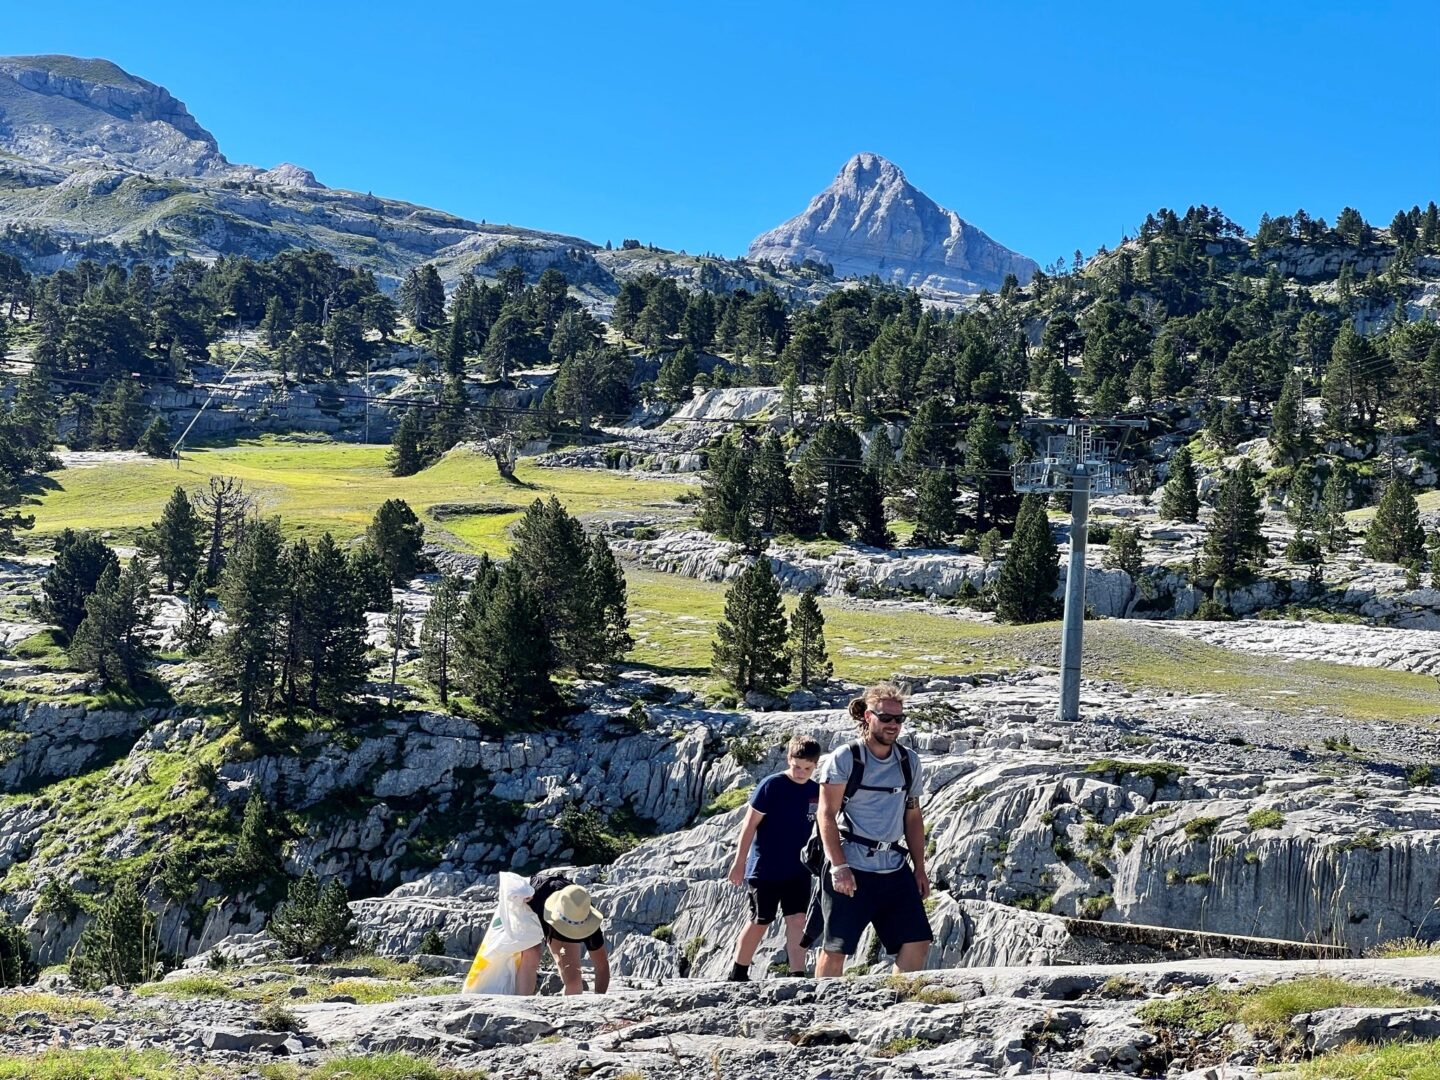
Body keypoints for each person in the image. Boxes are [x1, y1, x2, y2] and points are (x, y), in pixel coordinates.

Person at [810, 682, 931, 977]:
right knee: (837, 947)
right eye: (886, 718)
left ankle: (897, 1003)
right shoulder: (845, 758)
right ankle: (823, 1011)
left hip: (893, 867)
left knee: (917, 940)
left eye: (899, 719)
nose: (893, 725)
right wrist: (838, 866)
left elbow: (913, 816)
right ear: (868, 717)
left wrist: (919, 867)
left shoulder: (908, 761)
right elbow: (826, 815)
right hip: (851, 867)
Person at [725, 734, 822, 981]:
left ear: (815, 766)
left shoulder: (816, 791)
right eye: (796, 766)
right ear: (789, 759)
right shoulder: (771, 785)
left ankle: (797, 975)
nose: (801, 772)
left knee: (798, 920)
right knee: (761, 920)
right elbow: (749, 825)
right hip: (765, 869)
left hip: (798, 871)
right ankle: (738, 972)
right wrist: (739, 864)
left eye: (807, 768)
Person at [516, 872, 610, 995]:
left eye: (574, 931)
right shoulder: (534, 896)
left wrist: (598, 999)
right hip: (528, 906)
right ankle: (522, 1003)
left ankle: (573, 1010)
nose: (570, 933)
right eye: (569, 930)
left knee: (574, 982)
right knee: (531, 954)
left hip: (557, 914)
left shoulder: (584, 914)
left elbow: (602, 967)